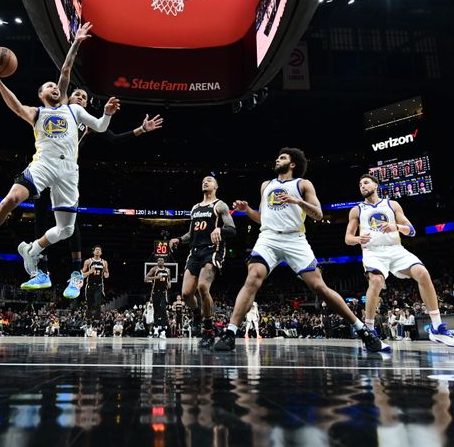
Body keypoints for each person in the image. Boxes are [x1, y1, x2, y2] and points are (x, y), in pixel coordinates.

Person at [0, 22, 121, 290]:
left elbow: (98, 124)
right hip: (43, 165)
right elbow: (15, 106)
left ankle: (32, 249)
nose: (55, 87)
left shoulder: (72, 110)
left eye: (57, 86)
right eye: (48, 86)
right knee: (11, 199)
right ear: (41, 95)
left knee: (65, 230)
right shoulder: (37, 113)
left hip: (69, 172)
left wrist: (107, 112)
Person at [213, 148, 384, 352]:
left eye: (283, 157)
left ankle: (361, 329)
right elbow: (262, 218)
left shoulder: (302, 184)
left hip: (295, 239)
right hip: (268, 238)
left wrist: (297, 201)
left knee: (319, 287)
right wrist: (247, 210)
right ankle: (230, 332)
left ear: (292, 164)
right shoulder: (266, 185)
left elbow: (318, 214)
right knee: (253, 277)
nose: (277, 159)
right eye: (278, 156)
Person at [34, 87, 163, 275]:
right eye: (77, 94)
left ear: (86, 104)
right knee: (40, 216)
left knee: (71, 223)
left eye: (84, 97)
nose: (80, 97)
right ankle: (41, 268)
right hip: (44, 167)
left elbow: (114, 139)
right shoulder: (54, 109)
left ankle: (76, 271)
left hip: (64, 173)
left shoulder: (85, 121)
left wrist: (142, 129)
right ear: (68, 97)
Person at [346, 174, 454, 348]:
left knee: (422, 273)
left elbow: (412, 231)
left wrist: (397, 227)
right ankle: (369, 331)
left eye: (365, 182)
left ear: (376, 185)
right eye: (359, 184)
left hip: (395, 249)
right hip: (373, 252)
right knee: (376, 281)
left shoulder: (392, 205)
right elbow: (348, 238)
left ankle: (437, 328)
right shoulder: (357, 210)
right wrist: (357, 239)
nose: (362, 186)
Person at [169, 175, 236, 347]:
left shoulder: (220, 205)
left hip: (212, 250)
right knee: (185, 294)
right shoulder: (195, 208)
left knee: (202, 287)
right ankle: (197, 315)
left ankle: (208, 329)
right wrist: (178, 239)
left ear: (216, 186)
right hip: (195, 252)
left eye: (209, 180)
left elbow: (232, 229)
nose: (205, 182)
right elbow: (191, 234)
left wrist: (220, 230)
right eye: (203, 181)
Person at [145, 257, 171, 335]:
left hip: (163, 292)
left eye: (161, 260)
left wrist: (169, 283)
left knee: (163, 309)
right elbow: (146, 278)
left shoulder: (168, 270)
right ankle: (156, 328)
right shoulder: (154, 269)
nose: (160, 261)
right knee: (156, 310)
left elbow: (168, 280)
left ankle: (163, 329)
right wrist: (156, 277)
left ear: (164, 262)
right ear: (157, 262)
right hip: (155, 292)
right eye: (159, 260)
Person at [82, 245, 109, 316]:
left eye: (99, 250)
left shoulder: (104, 262)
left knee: (98, 302)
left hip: (99, 285)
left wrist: (106, 275)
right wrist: (90, 272)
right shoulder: (88, 261)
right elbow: (82, 275)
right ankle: (88, 318)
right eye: (96, 249)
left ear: (101, 253)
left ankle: (97, 320)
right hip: (89, 285)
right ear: (93, 252)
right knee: (89, 304)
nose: (97, 251)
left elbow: (107, 272)